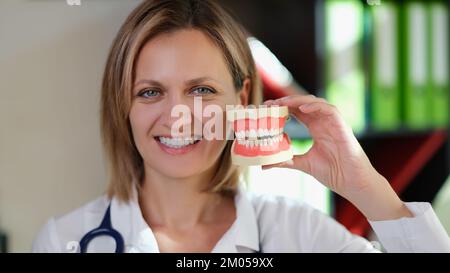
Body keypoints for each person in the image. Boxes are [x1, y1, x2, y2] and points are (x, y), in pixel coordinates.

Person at [32, 0, 450, 253]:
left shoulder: (298, 231)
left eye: (201, 90)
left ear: (242, 95)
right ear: (122, 103)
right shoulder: (67, 238)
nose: (179, 115)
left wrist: (365, 185)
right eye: (149, 92)